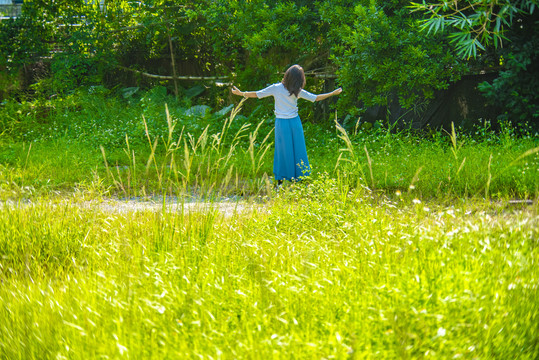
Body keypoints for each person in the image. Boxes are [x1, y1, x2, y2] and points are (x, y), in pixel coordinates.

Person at [231, 64, 342, 183]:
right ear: (299, 79)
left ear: (287, 75)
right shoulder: (296, 90)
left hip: (282, 123)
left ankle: (282, 180)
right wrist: (332, 93)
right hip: (295, 123)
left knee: (283, 151)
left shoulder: (278, 88)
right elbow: (316, 97)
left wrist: (241, 93)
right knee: (298, 149)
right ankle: (300, 178)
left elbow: (257, 94)